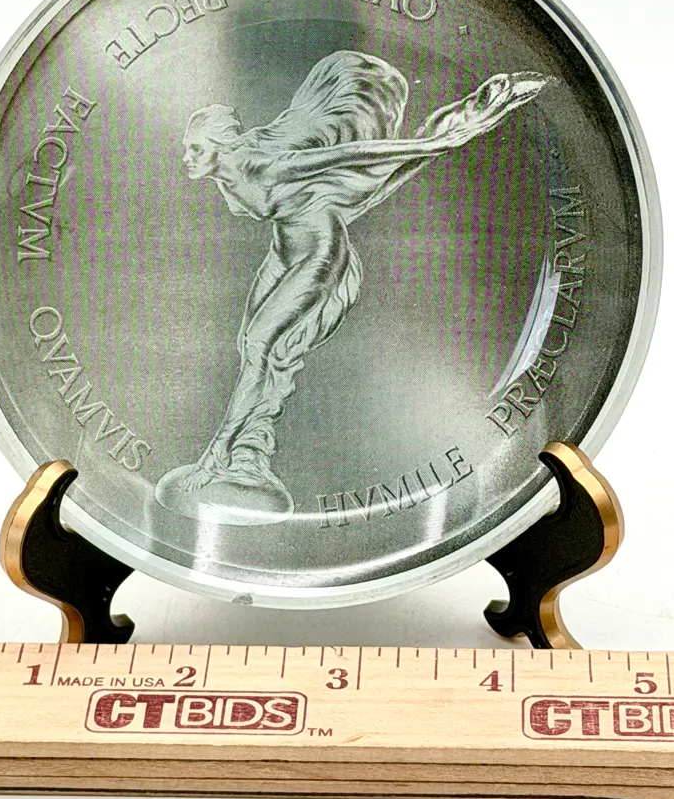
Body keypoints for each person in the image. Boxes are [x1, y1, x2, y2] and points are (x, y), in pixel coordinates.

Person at [160, 50, 551, 510]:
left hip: (318, 251)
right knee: (254, 348)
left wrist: (432, 144)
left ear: (220, 147)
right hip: (285, 248)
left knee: (261, 347)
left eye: (195, 149)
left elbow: (350, 154)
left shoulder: (263, 166)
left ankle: (217, 458)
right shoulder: (227, 174)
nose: (186, 158)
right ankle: (248, 455)